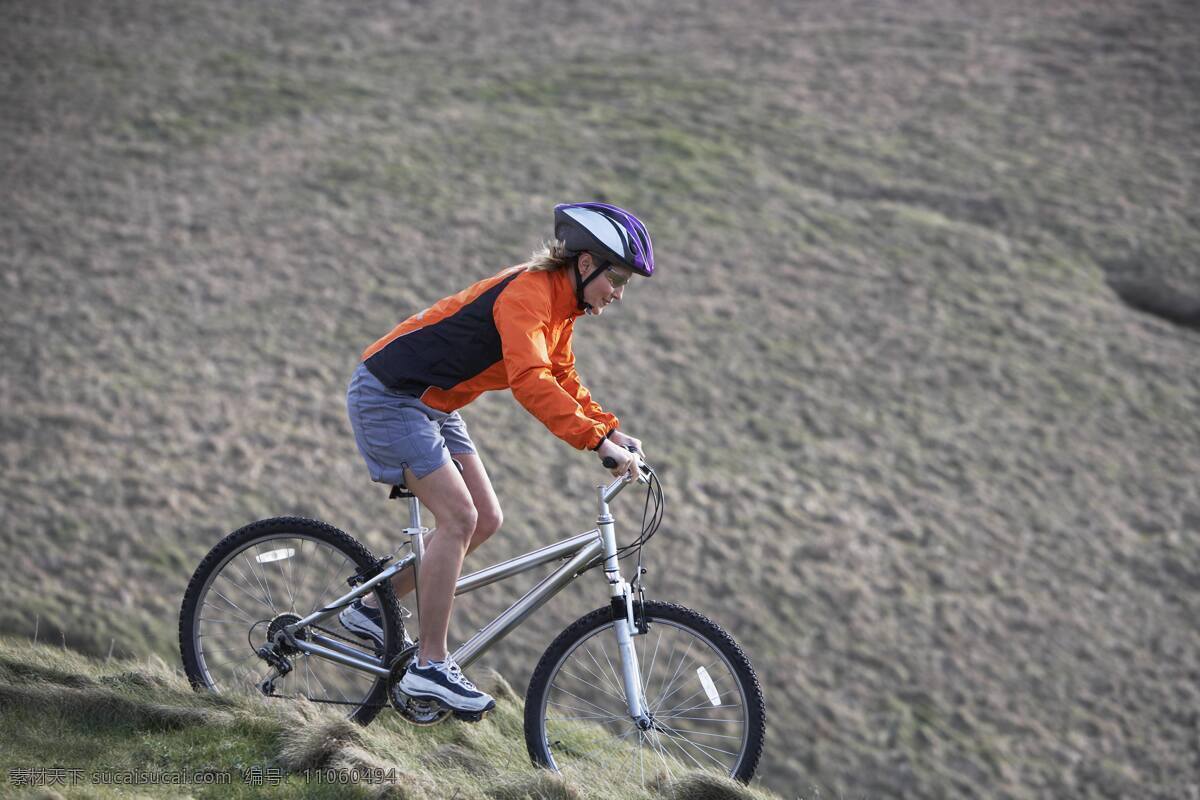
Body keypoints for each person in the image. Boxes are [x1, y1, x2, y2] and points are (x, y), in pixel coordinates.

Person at [340, 202, 654, 715]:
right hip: (390, 396)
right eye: (616, 278)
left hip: (436, 402)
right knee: (459, 517)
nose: (618, 293)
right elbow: (531, 382)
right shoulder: (528, 295)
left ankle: (372, 605)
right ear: (583, 264)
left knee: (486, 518)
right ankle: (429, 666)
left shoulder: (560, 306)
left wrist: (610, 427)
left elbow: (562, 375)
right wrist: (595, 444)